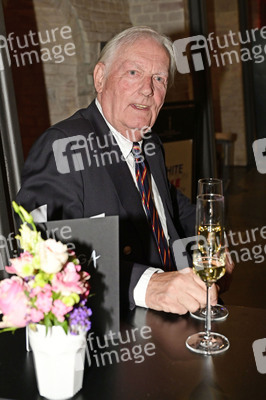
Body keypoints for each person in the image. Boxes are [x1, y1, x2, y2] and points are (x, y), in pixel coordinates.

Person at [16, 26, 233, 314]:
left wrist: (212, 241)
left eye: (159, 79)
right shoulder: (64, 146)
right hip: (119, 321)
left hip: (181, 304)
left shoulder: (149, 142)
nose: (148, 89)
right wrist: (148, 285)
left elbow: (168, 206)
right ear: (100, 78)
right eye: (133, 73)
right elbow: (40, 253)